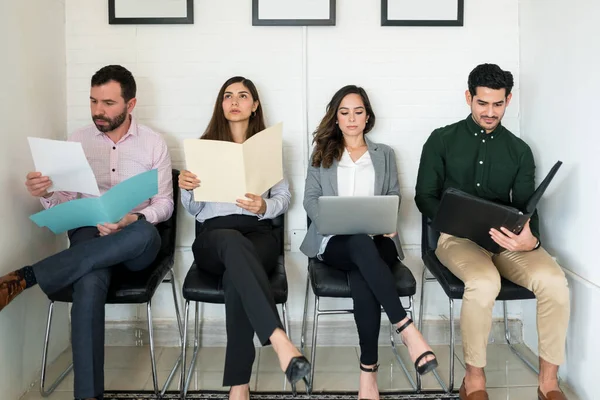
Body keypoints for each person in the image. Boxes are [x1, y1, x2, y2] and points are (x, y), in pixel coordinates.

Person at [0, 65, 173, 400]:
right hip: (88, 236)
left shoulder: (154, 143)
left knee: (145, 233)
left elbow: (164, 202)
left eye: (108, 103)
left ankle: (27, 277)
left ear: (130, 104)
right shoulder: (76, 140)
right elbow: (63, 203)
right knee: (88, 282)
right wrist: (47, 192)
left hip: (134, 240)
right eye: (93, 101)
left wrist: (131, 218)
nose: (98, 111)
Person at [415, 63, 570, 400]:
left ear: (508, 100)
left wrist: (532, 240)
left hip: (510, 241)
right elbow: (423, 197)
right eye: (482, 103)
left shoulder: (519, 151)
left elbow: (529, 205)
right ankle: (474, 381)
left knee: (554, 281)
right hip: (458, 238)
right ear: (469, 97)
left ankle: (548, 384)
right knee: (484, 282)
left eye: (497, 104)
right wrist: (452, 220)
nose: (489, 112)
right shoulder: (441, 140)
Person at [301, 85, 438, 400]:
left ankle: (368, 378)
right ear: (336, 118)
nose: (351, 119)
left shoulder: (384, 154)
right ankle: (406, 328)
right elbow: (310, 200)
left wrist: (387, 221)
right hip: (335, 241)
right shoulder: (321, 154)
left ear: (367, 117)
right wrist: (330, 220)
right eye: (344, 112)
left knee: (364, 259)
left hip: (379, 241)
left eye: (358, 111)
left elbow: (393, 194)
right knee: (359, 246)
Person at [178, 76, 310, 400]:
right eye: (228, 95)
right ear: (221, 105)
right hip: (214, 237)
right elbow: (194, 210)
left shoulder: (266, 148)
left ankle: (239, 386)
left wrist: (264, 205)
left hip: (258, 233)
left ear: (254, 105)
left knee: (239, 270)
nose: (234, 101)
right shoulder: (203, 146)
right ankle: (278, 338)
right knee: (233, 246)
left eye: (242, 95)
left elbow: (284, 197)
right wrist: (186, 188)